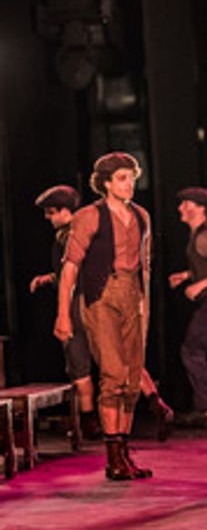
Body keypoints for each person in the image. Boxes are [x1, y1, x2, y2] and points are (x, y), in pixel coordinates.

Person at [53, 154, 155, 480]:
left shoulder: (141, 216)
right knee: (112, 374)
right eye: (122, 178)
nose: (129, 184)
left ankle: (123, 453)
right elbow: (70, 268)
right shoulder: (89, 216)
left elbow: (146, 267)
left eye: (132, 178)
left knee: (132, 377)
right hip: (101, 295)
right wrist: (63, 316)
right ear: (106, 183)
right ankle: (113, 458)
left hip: (132, 295)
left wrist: (144, 307)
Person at [30, 185, 101, 439]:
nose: (48, 218)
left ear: (65, 211)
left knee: (78, 363)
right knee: (113, 358)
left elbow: (70, 275)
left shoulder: (65, 237)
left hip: (75, 304)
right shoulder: (88, 232)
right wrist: (49, 278)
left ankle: (88, 418)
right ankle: (154, 401)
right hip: (95, 302)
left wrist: (63, 315)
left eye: (51, 212)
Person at [168, 187, 207, 427]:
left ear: (200, 208)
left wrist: (199, 285)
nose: (180, 208)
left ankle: (204, 408)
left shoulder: (205, 236)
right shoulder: (199, 235)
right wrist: (187, 275)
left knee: (192, 350)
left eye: (186, 204)